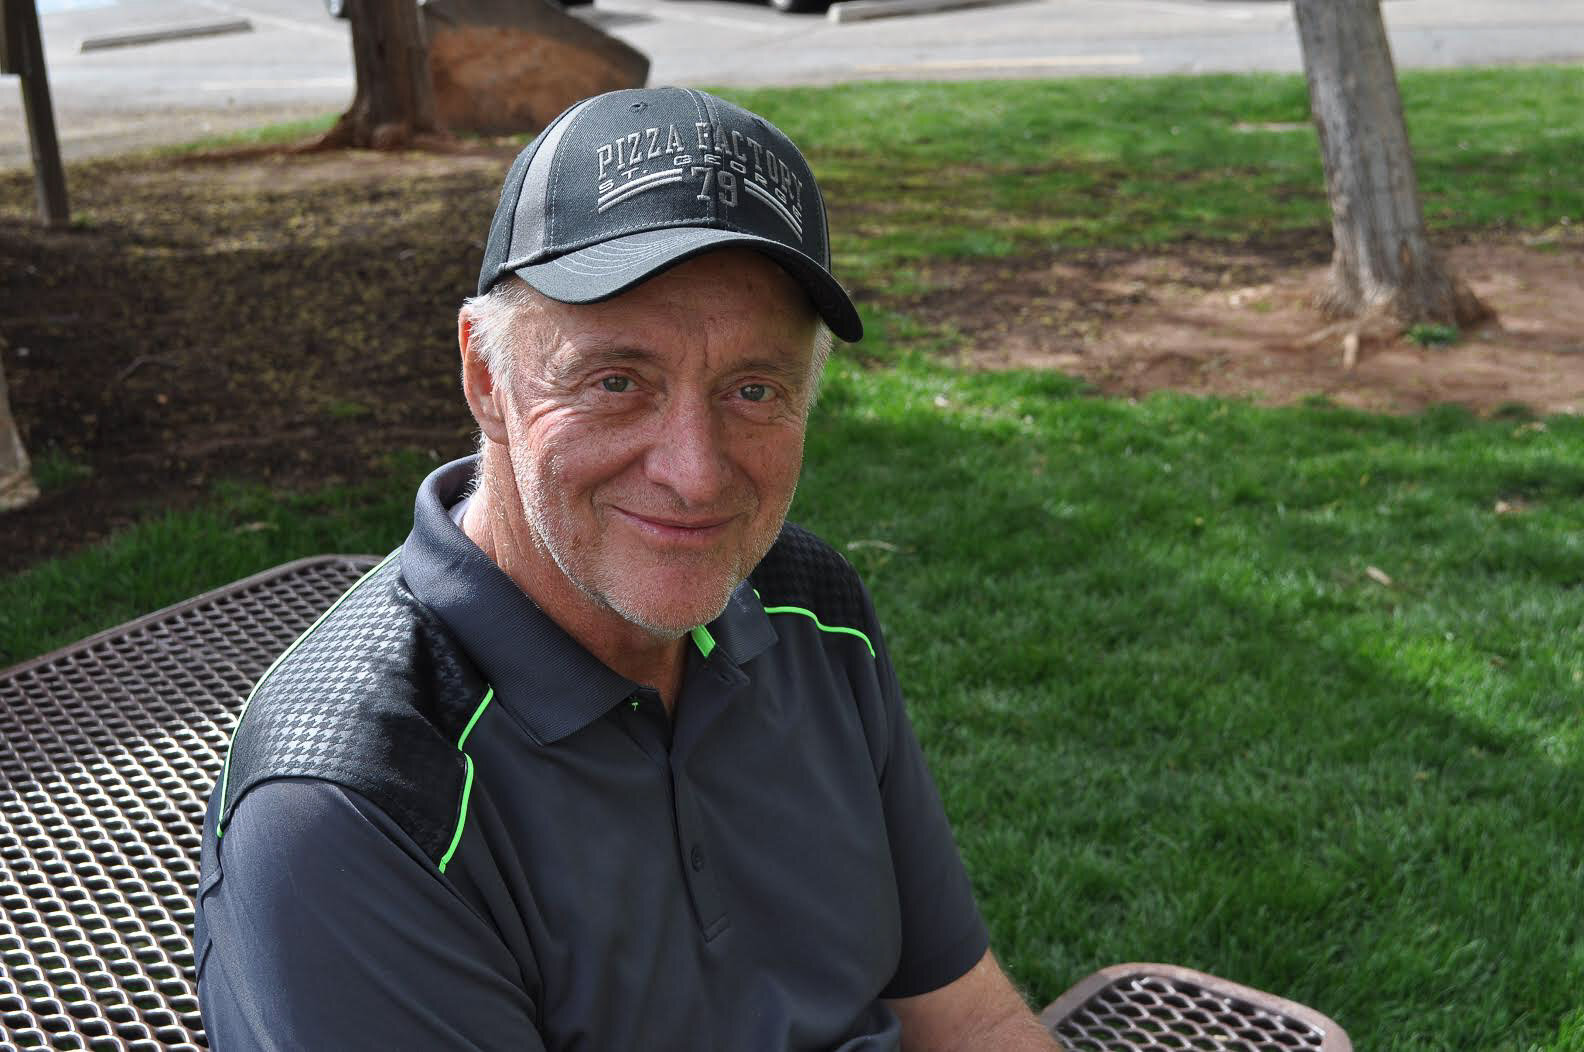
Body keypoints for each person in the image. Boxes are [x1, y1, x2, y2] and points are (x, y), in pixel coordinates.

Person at [193, 86, 1061, 1051]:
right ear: (486, 377)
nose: (696, 475)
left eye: (753, 389)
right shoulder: (358, 801)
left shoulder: (810, 605)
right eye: (616, 381)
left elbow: (968, 1012)